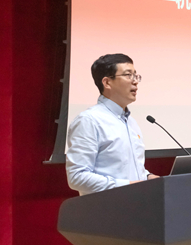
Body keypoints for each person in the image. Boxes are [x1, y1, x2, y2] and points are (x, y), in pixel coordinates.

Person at [66, 53, 158, 195]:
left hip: (136, 203)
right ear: (107, 82)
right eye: (128, 75)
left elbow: (127, 169)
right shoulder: (89, 120)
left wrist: (148, 177)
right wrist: (128, 186)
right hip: (108, 206)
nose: (135, 81)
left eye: (135, 75)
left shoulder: (131, 122)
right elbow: (77, 177)